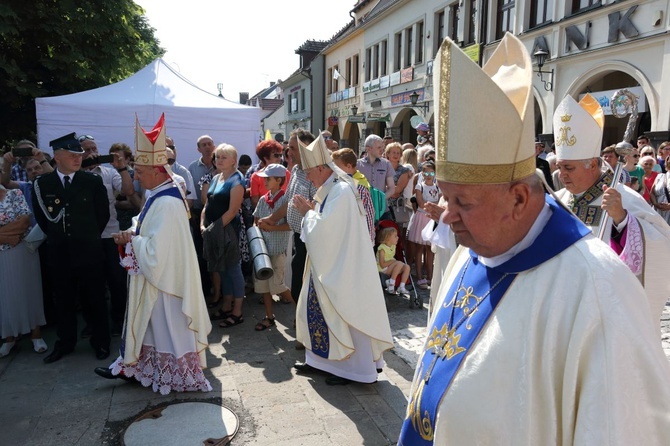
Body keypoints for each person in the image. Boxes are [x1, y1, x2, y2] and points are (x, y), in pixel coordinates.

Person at [399, 33, 670, 446]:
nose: (448, 214)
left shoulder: (598, 291)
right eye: (445, 195)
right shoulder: (473, 252)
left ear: (520, 197)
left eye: (463, 201)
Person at [94, 115, 211, 394]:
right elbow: (146, 227)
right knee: (149, 327)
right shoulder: (157, 193)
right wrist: (132, 234)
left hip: (166, 285)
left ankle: (173, 375)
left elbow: (158, 252)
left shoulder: (168, 201)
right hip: (155, 279)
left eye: (140, 172)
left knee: (164, 327)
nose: (135, 177)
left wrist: (132, 241)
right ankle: (138, 368)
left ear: (158, 171)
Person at [553, 94, 670, 325]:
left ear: (593, 164)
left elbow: (661, 243)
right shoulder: (559, 199)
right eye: (559, 167)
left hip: (607, 310)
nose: (562, 174)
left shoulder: (625, 198)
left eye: (568, 167)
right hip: (564, 305)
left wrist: (622, 220)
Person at [291, 133, 393, 385]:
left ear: (322, 168)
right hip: (333, 264)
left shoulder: (341, 191)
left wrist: (307, 214)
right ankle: (321, 362)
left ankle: (355, 370)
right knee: (321, 311)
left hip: (345, 270)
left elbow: (327, 231)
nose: (307, 177)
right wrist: (312, 214)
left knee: (347, 314)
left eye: (309, 171)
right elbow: (329, 227)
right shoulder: (334, 188)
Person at [32, 133, 111, 363]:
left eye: (79, 155)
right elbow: (44, 219)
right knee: (64, 300)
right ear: (57, 157)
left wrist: (86, 237)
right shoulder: (43, 184)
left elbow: (102, 215)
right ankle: (65, 343)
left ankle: (101, 342)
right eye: (72, 155)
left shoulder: (91, 181)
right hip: (59, 252)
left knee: (95, 298)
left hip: (88, 250)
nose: (78, 159)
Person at [79, 134, 135, 338]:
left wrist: (121, 167)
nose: (92, 153)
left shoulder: (109, 173)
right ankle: (92, 322)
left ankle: (119, 319)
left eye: (94, 148)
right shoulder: (74, 175)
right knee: (89, 284)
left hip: (110, 234)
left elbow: (128, 191)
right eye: (86, 149)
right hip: (86, 238)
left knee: (116, 280)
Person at [257, 128, 318, 309]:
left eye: (292, 148)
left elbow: (319, 208)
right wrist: (272, 218)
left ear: (306, 148)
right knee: (298, 279)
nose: (288, 152)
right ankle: (302, 318)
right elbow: (289, 203)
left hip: (312, 239)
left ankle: (307, 320)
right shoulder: (297, 170)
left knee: (305, 280)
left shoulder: (316, 172)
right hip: (298, 238)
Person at [201, 143, 246, 328]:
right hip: (213, 229)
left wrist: (214, 228)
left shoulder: (237, 180)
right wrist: (202, 224)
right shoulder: (216, 177)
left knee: (233, 270)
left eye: (223, 157)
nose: (219, 160)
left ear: (233, 160)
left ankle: (237, 311)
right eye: (217, 157)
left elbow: (233, 210)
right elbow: (207, 204)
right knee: (222, 268)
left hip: (228, 232)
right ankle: (227, 305)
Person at [0, 185, 47, 357]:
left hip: (22, 252)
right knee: (4, 296)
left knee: (28, 291)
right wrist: (8, 236)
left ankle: (36, 335)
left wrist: (6, 234)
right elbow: (17, 226)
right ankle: (9, 338)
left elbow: (24, 222)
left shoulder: (14, 193)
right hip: (2, 255)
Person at [252, 163, 295, 331]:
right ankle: (269, 316)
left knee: (278, 285)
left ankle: (299, 309)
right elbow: (256, 218)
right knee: (264, 286)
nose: (265, 182)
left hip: (278, 249)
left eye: (268, 179)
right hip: (263, 250)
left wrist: (272, 227)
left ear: (279, 180)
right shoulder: (264, 199)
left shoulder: (286, 200)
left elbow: (290, 225)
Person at [331, 148, 376, 243]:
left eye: (337, 167)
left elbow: (355, 214)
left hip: (361, 238)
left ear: (348, 166)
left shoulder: (358, 186)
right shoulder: (347, 181)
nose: (334, 171)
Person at [406, 161, 439, 290]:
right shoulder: (420, 186)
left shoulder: (437, 186)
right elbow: (420, 202)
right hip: (422, 217)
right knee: (419, 248)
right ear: (422, 173)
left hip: (432, 218)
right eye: (426, 172)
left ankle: (431, 277)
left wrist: (433, 207)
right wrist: (432, 206)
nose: (429, 175)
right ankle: (419, 276)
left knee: (430, 250)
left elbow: (440, 200)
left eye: (431, 172)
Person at [376, 226, 410, 296]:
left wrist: (393, 262)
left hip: (389, 267)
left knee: (407, 267)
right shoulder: (382, 249)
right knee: (399, 263)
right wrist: (393, 261)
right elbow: (382, 264)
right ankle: (391, 283)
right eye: (395, 236)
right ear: (388, 239)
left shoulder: (393, 246)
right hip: (382, 269)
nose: (397, 237)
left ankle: (402, 286)